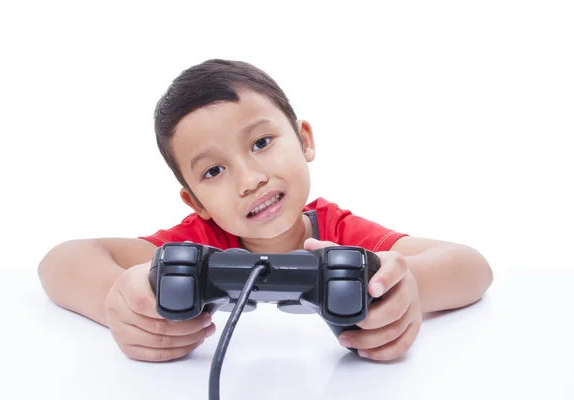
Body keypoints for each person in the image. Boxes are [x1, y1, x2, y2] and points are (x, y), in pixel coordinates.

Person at [37, 59, 493, 363]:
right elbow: (62, 260)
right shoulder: (194, 244)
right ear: (195, 202)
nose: (249, 180)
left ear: (305, 140)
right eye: (214, 171)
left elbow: (473, 267)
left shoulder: (339, 234)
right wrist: (119, 299)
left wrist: (402, 287)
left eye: (260, 143)